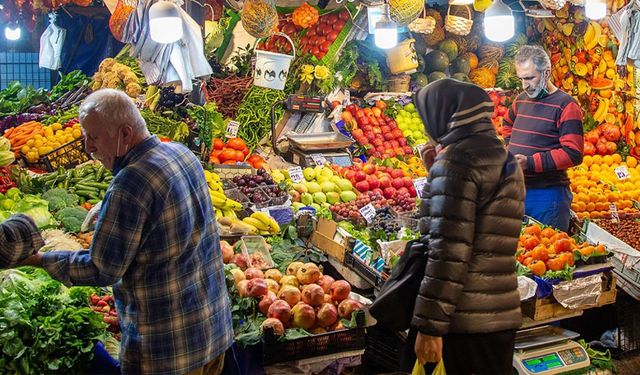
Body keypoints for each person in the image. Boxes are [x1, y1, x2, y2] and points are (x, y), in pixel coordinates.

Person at [19, 89, 233, 375]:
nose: (87, 147)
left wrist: (37, 259)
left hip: (168, 351)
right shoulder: (181, 153)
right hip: (213, 332)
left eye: (93, 137)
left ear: (125, 133)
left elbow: (101, 269)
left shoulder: (130, 183)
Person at [410, 79, 525, 374]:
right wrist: (435, 173)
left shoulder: (456, 164)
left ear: (442, 116)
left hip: (461, 321)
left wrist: (429, 327)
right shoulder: (503, 156)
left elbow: (447, 252)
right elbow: (482, 226)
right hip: (499, 316)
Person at [503, 45, 584, 232]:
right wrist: (510, 145)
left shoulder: (566, 105)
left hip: (548, 196)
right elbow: (507, 123)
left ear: (546, 73)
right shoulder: (521, 100)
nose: (525, 85)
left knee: (548, 253)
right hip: (517, 191)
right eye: (521, 78)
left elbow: (573, 153)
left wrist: (530, 162)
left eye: (530, 78)